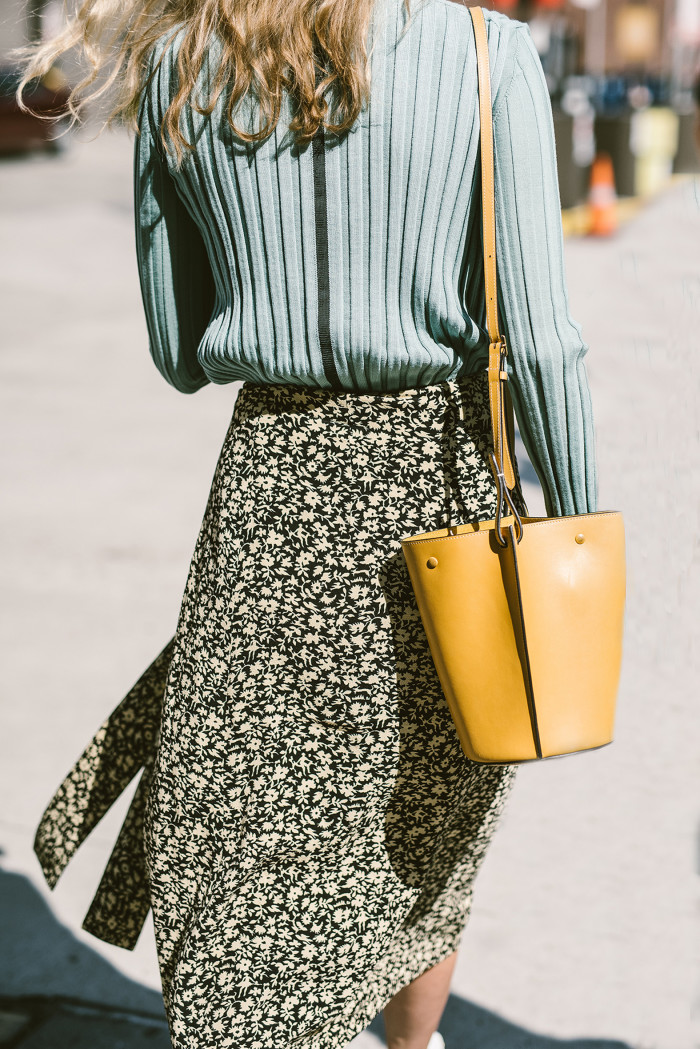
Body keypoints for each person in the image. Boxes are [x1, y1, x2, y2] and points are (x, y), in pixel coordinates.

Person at [17, 0, 597, 1046]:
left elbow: (179, 347)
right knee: (425, 818)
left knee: (245, 824)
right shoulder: (484, 48)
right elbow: (543, 335)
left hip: (272, 494)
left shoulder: (183, 57)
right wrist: (579, 525)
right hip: (441, 487)